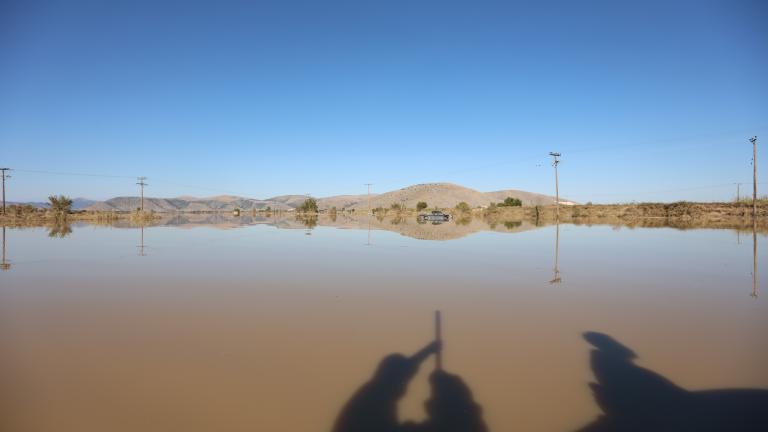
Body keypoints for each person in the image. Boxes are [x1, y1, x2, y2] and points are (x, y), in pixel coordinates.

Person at [332, 341, 488, 432]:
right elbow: (400, 371)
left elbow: (400, 370)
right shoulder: (376, 397)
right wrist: (427, 351)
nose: (405, 387)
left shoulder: (377, 393)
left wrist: (427, 351)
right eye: (404, 381)